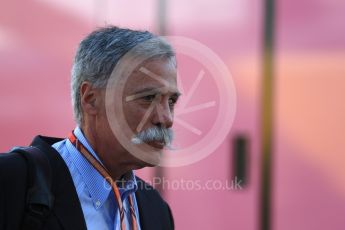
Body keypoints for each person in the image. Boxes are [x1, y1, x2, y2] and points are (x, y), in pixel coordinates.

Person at [0, 26, 180, 230]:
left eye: (171, 101)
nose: (166, 118)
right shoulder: (11, 181)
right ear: (91, 99)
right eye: (148, 98)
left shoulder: (156, 210)